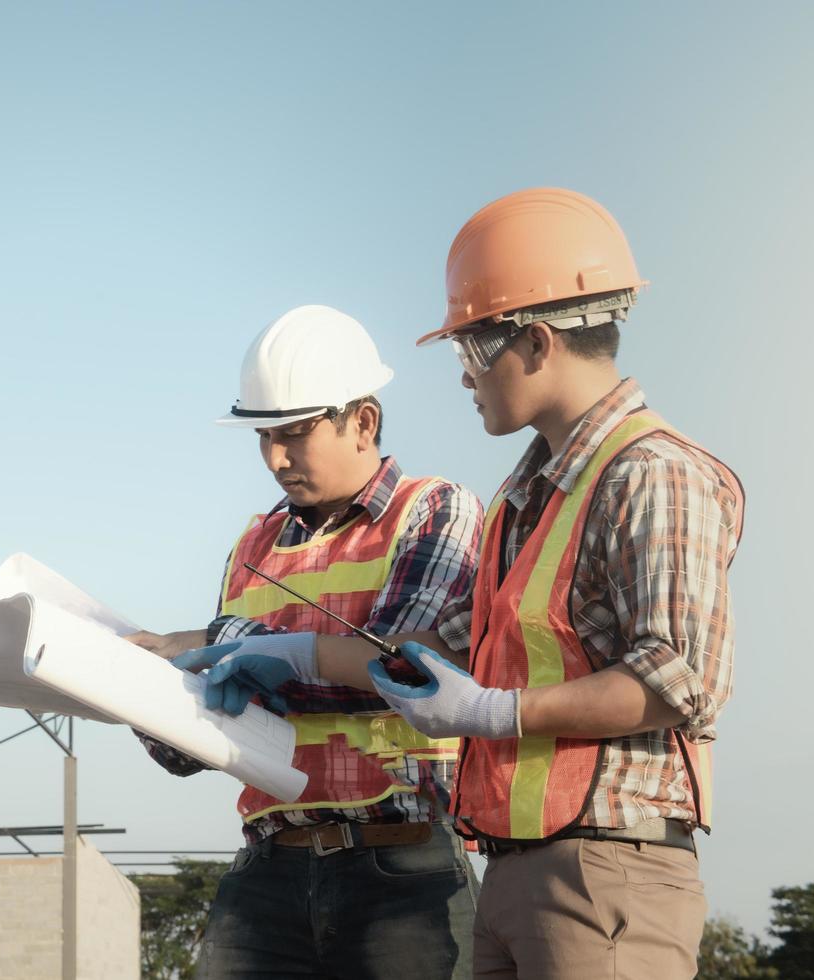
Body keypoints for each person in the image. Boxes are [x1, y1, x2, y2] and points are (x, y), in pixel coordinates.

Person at [361, 188, 746, 979]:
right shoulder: (528, 494)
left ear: (535, 343)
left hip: (605, 875)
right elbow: (466, 641)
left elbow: (678, 679)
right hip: (514, 870)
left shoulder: (654, 474)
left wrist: (488, 712)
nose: (465, 377)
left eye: (471, 350)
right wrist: (296, 657)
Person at [129, 304, 483, 979]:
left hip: (399, 862)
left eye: (293, 434)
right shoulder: (250, 547)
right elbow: (203, 738)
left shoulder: (434, 511)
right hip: (269, 864)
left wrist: (221, 641)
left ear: (365, 421)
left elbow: (404, 667)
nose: (274, 458)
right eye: (262, 437)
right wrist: (134, 687)